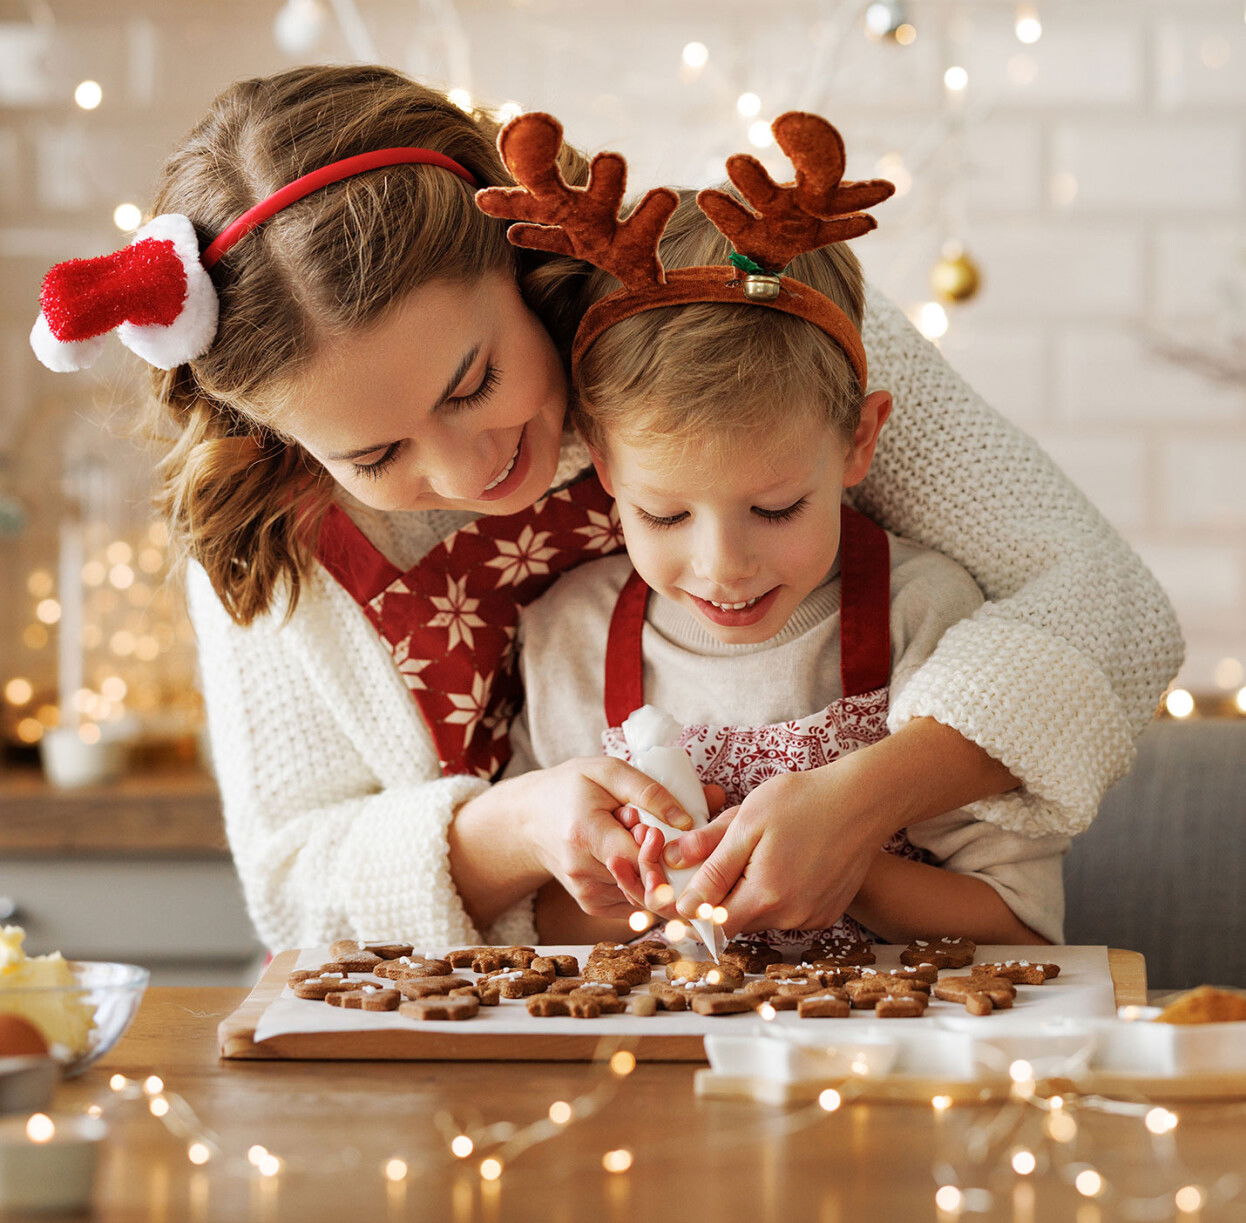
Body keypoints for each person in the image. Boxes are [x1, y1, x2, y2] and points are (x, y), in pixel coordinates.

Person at [31, 66, 1181, 953]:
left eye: (473, 382)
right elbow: (294, 887)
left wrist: (862, 803)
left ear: (523, 255)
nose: (468, 463)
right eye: (376, 452)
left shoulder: (736, 306)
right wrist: (515, 829)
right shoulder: (273, 531)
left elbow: (1107, 605)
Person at [499, 111, 1063, 949]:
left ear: (859, 440)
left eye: (775, 509)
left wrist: (847, 861)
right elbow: (526, 923)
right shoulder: (566, 641)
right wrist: (639, 881)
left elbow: (1020, 925)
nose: (723, 566)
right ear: (606, 471)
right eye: (664, 514)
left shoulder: (925, 617)